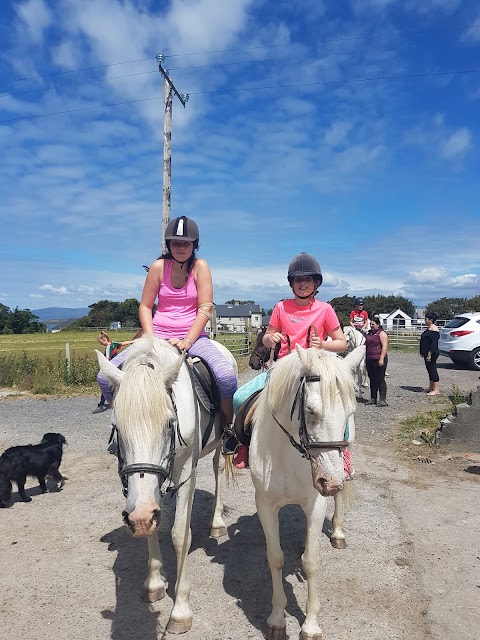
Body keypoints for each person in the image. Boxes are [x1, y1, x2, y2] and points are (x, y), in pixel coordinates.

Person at [232, 252, 348, 469]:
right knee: (240, 397)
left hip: (316, 370)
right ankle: (245, 445)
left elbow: (341, 343)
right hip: (284, 369)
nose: (303, 284)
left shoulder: (325, 310)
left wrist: (322, 344)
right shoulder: (281, 308)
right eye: (298, 280)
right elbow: (267, 338)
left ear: (316, 283)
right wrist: (270, 338)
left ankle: (344, 452)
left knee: (341, 406)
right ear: (292, 284)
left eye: (307, 280)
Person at [92, 331, 135, 413]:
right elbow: (124, 343)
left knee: (105, 387)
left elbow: (107, 360)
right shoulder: (114, 344)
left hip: (111, 368)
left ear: (104, 339)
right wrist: (134, 342)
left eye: (100, 342)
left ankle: (101, 405)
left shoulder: (108, 348)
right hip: (118, 367)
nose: (100, 344)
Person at [365, 314, 389, 406]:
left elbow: (385, 346)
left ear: (378, 325)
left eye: (373, 324)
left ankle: (382, 399)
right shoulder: (369, 334)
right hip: (370, 358)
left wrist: (381, 358)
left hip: (378, 358)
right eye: (370, 324)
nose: (371, 326)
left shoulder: (382, 333)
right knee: (372, 379)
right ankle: (373, 398)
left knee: (380, 379)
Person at [419, 313, 440, 395]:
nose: (425, 321)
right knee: (429, 370)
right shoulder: (429, 329)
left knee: (432, 369)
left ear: (430, 320)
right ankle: (431, 387)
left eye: (426, 319)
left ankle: (436, 389)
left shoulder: (434, 330)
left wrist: (429, 354)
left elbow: (433, 344)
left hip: (432, 353)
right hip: (426, 352)